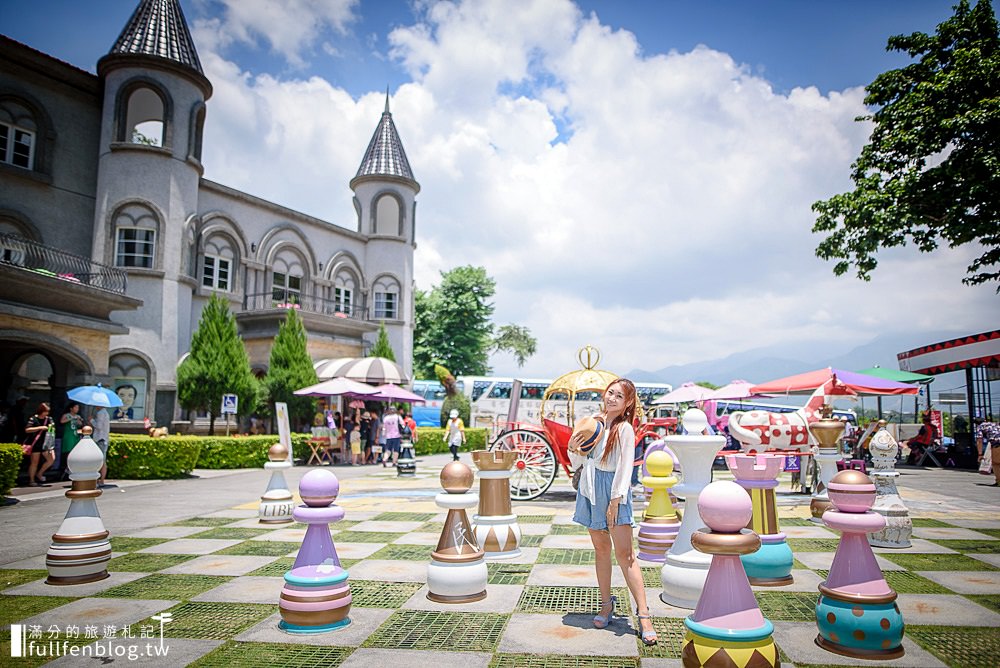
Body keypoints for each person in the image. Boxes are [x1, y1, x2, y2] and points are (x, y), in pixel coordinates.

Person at [568, 378, 657, 646]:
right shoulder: (592, 423)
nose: (612, 398)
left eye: (619, 395)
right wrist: (573, 449)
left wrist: (616, 498)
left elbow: (625, 465)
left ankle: (643, 615)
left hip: (613, 490)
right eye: (610, 393)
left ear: (628, 402)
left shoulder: (625, 429)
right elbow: (580, 460)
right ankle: (606, 604)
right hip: (590, 486)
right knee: (601, 550)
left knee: (625, 554)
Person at [24, 402, 56, 486]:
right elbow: (27, 429)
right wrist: (40, 428)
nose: (46, 413)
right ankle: (31, 480)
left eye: (47, 411)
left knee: (51, 459)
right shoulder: (33, 419)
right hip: (35, 443)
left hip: (46, 443)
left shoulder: (49, 419)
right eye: (45, 411)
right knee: (34, 462)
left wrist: (51, 427)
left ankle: (39, 473)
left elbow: (53, 428)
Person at [975, 417, 1000, 487]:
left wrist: (980, 454)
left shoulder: (980, 426)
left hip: (997, 443)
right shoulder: (994, 424)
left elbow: (979, 440)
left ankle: (999, 481)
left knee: (996, 463)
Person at [91, 405, 110, 487]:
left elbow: (99, 426)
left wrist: (91, 420)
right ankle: (101, 480)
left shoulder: (101, 413)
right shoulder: (105, 413)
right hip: (104, 439)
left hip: (100, 439)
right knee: (102, 461)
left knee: (99, 461)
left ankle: (98, 480)